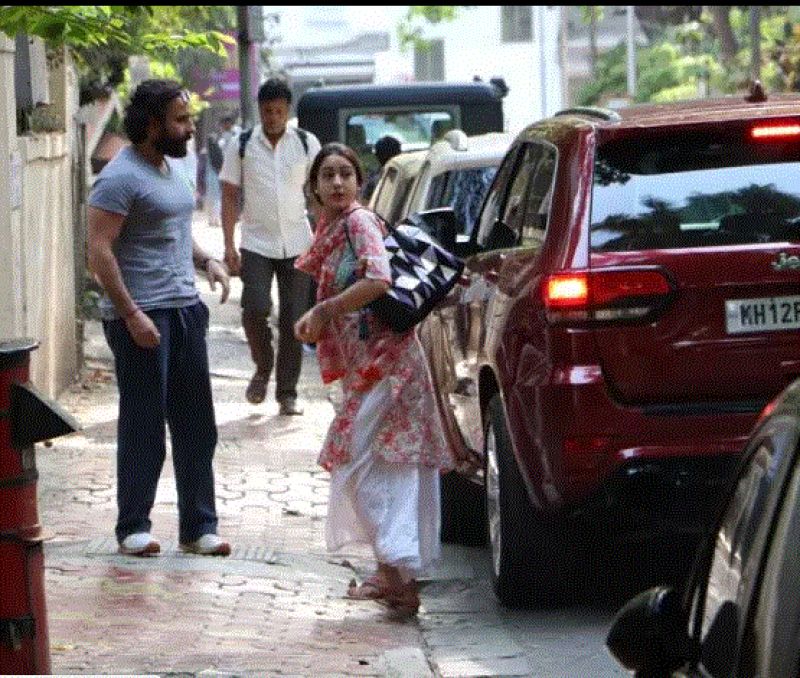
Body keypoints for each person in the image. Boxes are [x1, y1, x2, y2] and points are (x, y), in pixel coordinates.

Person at [294, 143, 453, 615]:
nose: (338, 183)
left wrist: (324, 310)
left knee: (364, 466)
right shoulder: (330, 231)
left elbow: (378, 280)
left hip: (393, 366)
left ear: (359, 183)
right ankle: (393, 575)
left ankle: (402, 577)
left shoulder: (360, 223)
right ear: (315, 187)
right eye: (328, 176)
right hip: (371, 369)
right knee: (376, 465)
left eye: (346, 174)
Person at [87, 79, 232, 558]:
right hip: (142, 315)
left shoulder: (175, 168)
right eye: (181, 120)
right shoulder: (119, 177)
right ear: (152, 124)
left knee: (196, 424)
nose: (190, 128)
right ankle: (133, 526)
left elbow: (172, 233)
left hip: (186, 309)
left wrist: (206, 259)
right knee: (144, 424)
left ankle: (198, 527)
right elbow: (99, 251)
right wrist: (130, 314)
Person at [220, 77, 321, 415]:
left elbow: (318, 194)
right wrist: (228, 245)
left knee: (294, 319)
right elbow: (230, 196)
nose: (273, 118)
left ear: (287, 110)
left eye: (279, 111)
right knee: (254, 309)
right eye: (267, 112)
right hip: (256, 242)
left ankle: (287, 393)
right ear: (259, 110)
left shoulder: (307, 143)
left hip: (298, 242)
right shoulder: (242, 144)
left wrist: (325, 237)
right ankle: (263, 367)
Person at [361, 135, 401, 202]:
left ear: (376, 155)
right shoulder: (407, 175)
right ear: (399, 153)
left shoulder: (372, 179)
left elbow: (365, 201)